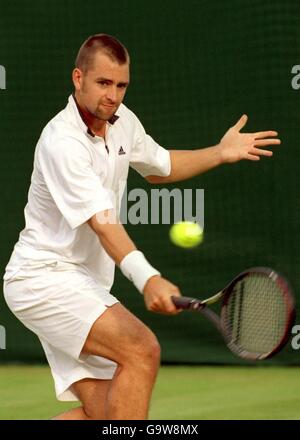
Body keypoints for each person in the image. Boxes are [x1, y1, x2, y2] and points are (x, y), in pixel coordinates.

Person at [2, 34, 280, 420]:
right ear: (78, 78)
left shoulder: (122, 121)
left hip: (82, 282)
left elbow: (160, 167)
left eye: (121, 85)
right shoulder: (61, 142)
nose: (113, 95)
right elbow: (103, 222)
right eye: (103, 83)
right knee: (142, 349)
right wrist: (148, 278)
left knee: (105, 415)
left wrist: (219, 153)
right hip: (43, 278)